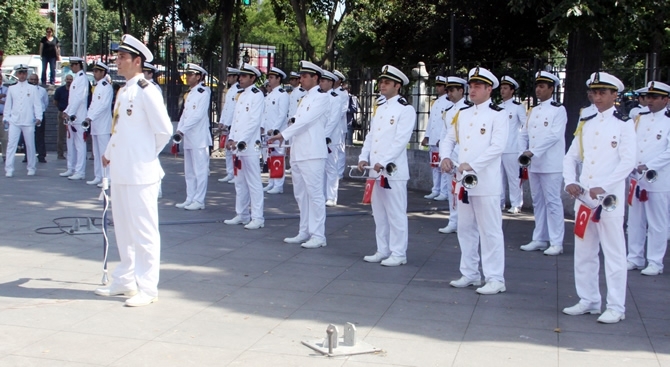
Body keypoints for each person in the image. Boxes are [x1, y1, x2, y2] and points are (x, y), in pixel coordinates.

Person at [94, 34, 172, 307]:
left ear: (137, 61)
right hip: (121, 171)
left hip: (141, 172)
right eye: (117, 56)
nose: (117, 61)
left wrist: (143, 156)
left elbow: (164, 130)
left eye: (122, 57)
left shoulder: (146, 90)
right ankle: (125, 279)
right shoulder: (124, 90)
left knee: (144, 232)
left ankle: (147, 287)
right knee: (124, 230)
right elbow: (119, 130)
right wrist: (108, 154)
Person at [562, 71, 634, 323]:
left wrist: (604, 185)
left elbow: (628, 161)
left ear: (615, 95)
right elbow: (571, 156)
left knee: (613, 253)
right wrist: (570, 180)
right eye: (594, 92)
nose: (597, 96)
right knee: (584, 251)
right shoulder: (587, 122)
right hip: (585, 197)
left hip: (608, 199)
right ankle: (589, 299)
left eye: (603, 92)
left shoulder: (624, 123)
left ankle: (616, 306)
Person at [439, 67, 508, 294]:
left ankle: (495, 278)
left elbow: (498, 147)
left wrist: (473, 165)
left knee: (490, 230)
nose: (473, 89)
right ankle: (470, 273)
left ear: (490, 89)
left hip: (486, 181)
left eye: (478, 86)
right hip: (463, 181)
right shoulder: (464, 114)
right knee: (465, 228)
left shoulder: (498, 114)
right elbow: (448, 138)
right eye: (471, 85)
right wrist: (446, 156)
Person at [358, 65, 416, 266]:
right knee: (379, 213)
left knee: (396, 213)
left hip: (392, 170)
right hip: (375, 169)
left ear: (397, 86)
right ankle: (382, 249)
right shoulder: (381, 108)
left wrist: (383, 161)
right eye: (381, 81)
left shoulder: (405, 109)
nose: (382, 85)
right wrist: (363, 157)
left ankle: (399, 253)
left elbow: (400, 141)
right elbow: (371, 136)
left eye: (387, 82)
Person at [268, 61, 329, 248]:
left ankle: (318, 235)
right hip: (298, 151)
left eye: (304, 76)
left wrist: (283, 135)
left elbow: (305, 122)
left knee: (315, 195)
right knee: (301, 195)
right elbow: (296, 121)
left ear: (315, 78)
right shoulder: (304, 98)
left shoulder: (322, 97)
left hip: (312, 153)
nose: (300, 79)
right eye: (300, 76)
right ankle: (304, 231)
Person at [518, 71, 567, 256]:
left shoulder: (558, 109)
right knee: (538, 202)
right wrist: (523, 152)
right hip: (534, 164)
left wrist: (533, 151)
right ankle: (539, 238)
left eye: (542, 86)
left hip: (551, 164)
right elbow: (523, 133)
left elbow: (554, 135)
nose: (538, 89)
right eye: (537, 86)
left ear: (551, 89)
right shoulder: (534, 110)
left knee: (553, 201)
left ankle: (556, 241)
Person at [626, 81, 670, 276]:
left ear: (666, 100)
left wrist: (649, 165)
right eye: (648, 97)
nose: (649, 101)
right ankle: (634, 257)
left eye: (654, 98)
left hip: (657, 178)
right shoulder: (640, 118)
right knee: (635, 221)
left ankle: (655, 262)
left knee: (657, 222)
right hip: (636, 178)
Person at [223, 63, 265, 229]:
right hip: (237, 145)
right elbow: (236, 120)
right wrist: (231, 138)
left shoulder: (256, 95)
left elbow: (253, 122)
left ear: (252, 78)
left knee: (254, 182)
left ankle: (258, 217)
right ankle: (242, 214)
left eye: (244, 76)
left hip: (249, 145)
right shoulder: (240, 94)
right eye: (240, 76)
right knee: (239, 182)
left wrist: (240, 140)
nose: (240, 78)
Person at [175, 63, 212, 211]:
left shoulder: (204, 92)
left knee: (200, 170)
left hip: (199, 137)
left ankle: (199, 200)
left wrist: (182, 130)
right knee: (189, 170)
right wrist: (179, 129)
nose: (188, 77)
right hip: (189, 136)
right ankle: (190, 197)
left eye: (191, 74)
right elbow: (185, 113)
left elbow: (197, 115)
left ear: (198, 77)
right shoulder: (190, 93)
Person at [437, 76, 469, 234]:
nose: (448, 93)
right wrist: (444, 157)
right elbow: (445, 136)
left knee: (465, 192)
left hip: (464, 158)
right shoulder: (448, 111)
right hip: (451, 157)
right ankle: (453, 220)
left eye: (452, 90)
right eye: (447, 90)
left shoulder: (469, 108)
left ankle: (464, 222)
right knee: (452, 191)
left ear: (461, 91)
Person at [3, 64, 42, 177]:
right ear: (17, 74)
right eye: (20, 73)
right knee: (11, 145)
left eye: (24, 73)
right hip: (15, 120)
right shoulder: (12, 88)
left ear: (26, 74)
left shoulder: (33, 88)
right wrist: (6, 118)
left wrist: (39, 117)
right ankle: (9, 168)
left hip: (28, 120)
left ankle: (31, 167)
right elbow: (8, 105)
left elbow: (37, 104)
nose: (22, 75)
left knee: (30, 145)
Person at [422, 75, 454, 201]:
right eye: (437, 85)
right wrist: (427, 136)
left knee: (443, 166)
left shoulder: (449, 102)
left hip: (442, 140)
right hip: (433, 139)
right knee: (435, 166)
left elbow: (446, 123)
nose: (437, 88)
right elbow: (432, 121)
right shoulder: (435, 102)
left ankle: (444, 191)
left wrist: (443, 138)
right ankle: (435, 189)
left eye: (440, 85)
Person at [498, 75, 526, 213]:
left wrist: (523, 147)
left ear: (512, 90)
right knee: (498, 178)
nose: (502, 91)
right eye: (501, 88)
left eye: (505, 88)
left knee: (514, 178)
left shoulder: (517, 107)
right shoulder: (497, 107)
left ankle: (516, 204)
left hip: (512, 148)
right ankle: (500, 202)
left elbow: (525, 126)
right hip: (499, 149)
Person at [84, 61, 113, 186]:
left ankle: (108, 177)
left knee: (104, 152)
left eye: (97, 71)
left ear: (103, 72)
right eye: (94, 71)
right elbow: (93, 104)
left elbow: (103, 105)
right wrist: (88, 116)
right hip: (95, 123)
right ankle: (98, 175)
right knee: (96, 152)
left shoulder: (106, 86)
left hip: (103, 124)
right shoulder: (97, 86)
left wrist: (90, 117)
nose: (94, 73)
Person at [60, 57, 89, 180]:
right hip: (73, 117)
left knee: (80, 145)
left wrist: (69, 112)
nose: (71, 68)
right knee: (70, 143)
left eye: (72, 65)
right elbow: (72, 100)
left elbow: (79, 99)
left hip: (79, 116)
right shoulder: (77, 78)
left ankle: (80, 171)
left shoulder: (82, 79)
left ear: (77, 65)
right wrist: (66, 111)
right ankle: (71, 168)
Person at [262, 67, 289, 194]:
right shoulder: (269, 95)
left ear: (278, 79)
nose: (269, 80)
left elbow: (282, 114)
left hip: (277, 133)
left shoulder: (282, 94)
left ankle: (278, 185)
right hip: (268, 132)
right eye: (269, 77)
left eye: (272, 77)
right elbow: (265, 114)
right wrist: (264, 127)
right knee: (271, 157)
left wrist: (275, 129)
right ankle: (272, 181)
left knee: (278, 156)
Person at [322, 70, 342, 206]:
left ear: (330, 82)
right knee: (320, 167)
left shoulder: (336, 98)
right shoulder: (320, 97)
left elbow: (333, 120)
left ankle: (331, 196)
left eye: (324, 81)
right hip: (319, 138)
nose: (321, 83)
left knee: (331, 167)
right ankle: (322, 194)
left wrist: (323, 136)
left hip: (330, 139)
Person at [217, 67, 241, 184]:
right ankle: (229, 172)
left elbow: (234, 110)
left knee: (234, 150)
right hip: (227, 123)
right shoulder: (230, 89)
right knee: (227, 149)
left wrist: (229, 123)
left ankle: (235, 174)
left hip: (233, 124)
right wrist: (222, 121)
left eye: (231, 76)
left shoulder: (238, 90)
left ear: (236, 77)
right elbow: (226, 107)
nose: (228, 78)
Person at [27, 74, 49, 163]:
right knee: (27, 135)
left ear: (37, 80)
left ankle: (41, 155)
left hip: (39, 115)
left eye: (35, 79)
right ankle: (27, 155)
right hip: (28, 114)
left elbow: (45, 102)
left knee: (40, 136)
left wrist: (40, 113)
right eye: (31, 79)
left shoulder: (42, 90)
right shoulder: (26, 89)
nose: (33, 81)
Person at [333, 70, 349, 179]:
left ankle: (339, 172)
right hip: (330, 126)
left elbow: (343, 110)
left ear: (339, 80)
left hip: (339, 125)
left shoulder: (343, 93)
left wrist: (333, 120)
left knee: (340, 150)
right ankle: (333, 171)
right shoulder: (328, 92)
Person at [53, 74, 72, 160]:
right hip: (62, 113)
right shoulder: (60, 90)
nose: (69, 81)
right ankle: (60, 153)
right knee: (61, 135)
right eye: (67, 79)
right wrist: (61, 110)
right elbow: (55, 101)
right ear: (65, 80)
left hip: (72, 115)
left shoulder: (74, 90)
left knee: (73, 135)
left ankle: (72, 153)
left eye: (70, 79)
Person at [0, 83, 7, 162]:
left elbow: (7, 101)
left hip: (3, 115)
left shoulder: (6, 89)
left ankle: (5, 155)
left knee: (5, 137)